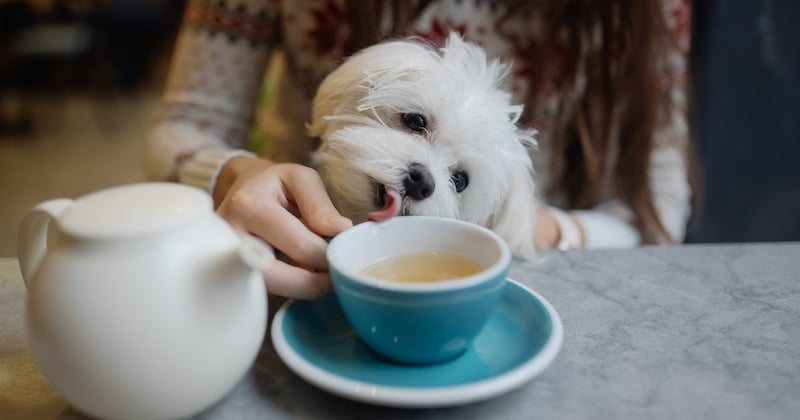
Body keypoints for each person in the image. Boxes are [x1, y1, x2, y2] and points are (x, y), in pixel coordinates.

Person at [144, 0, 696, 299]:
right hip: (280, 268)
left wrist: (538, 229)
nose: (423, 176)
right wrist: (240, 173)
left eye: (457, 180)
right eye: (412, 122)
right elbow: (184, 125)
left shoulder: (649, 13)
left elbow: (657, 207)